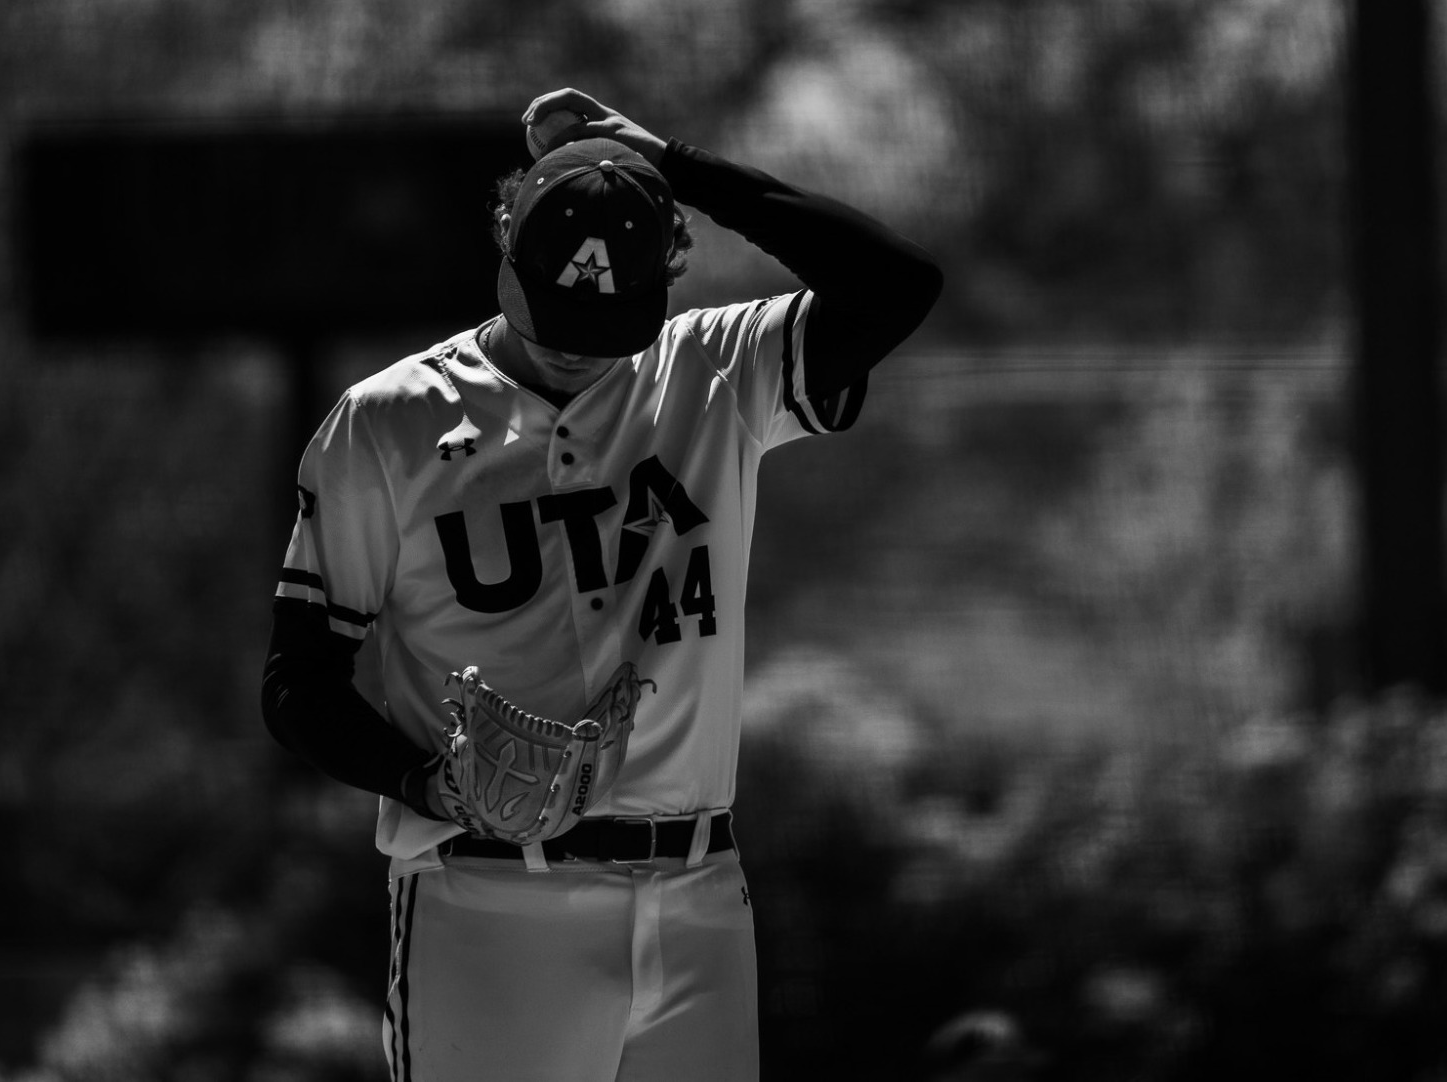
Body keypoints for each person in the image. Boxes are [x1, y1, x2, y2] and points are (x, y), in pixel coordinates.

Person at [262, 87, 942, 1082]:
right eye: (557, 303)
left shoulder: (711, 368)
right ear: (504, 248)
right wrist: (429, 780)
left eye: (607, 316)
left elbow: (898, 285)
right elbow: (298, 685)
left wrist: (675, 164)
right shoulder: (387, 424)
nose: (576, 336)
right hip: (491, 903)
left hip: (700, 892)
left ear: (668, 277)